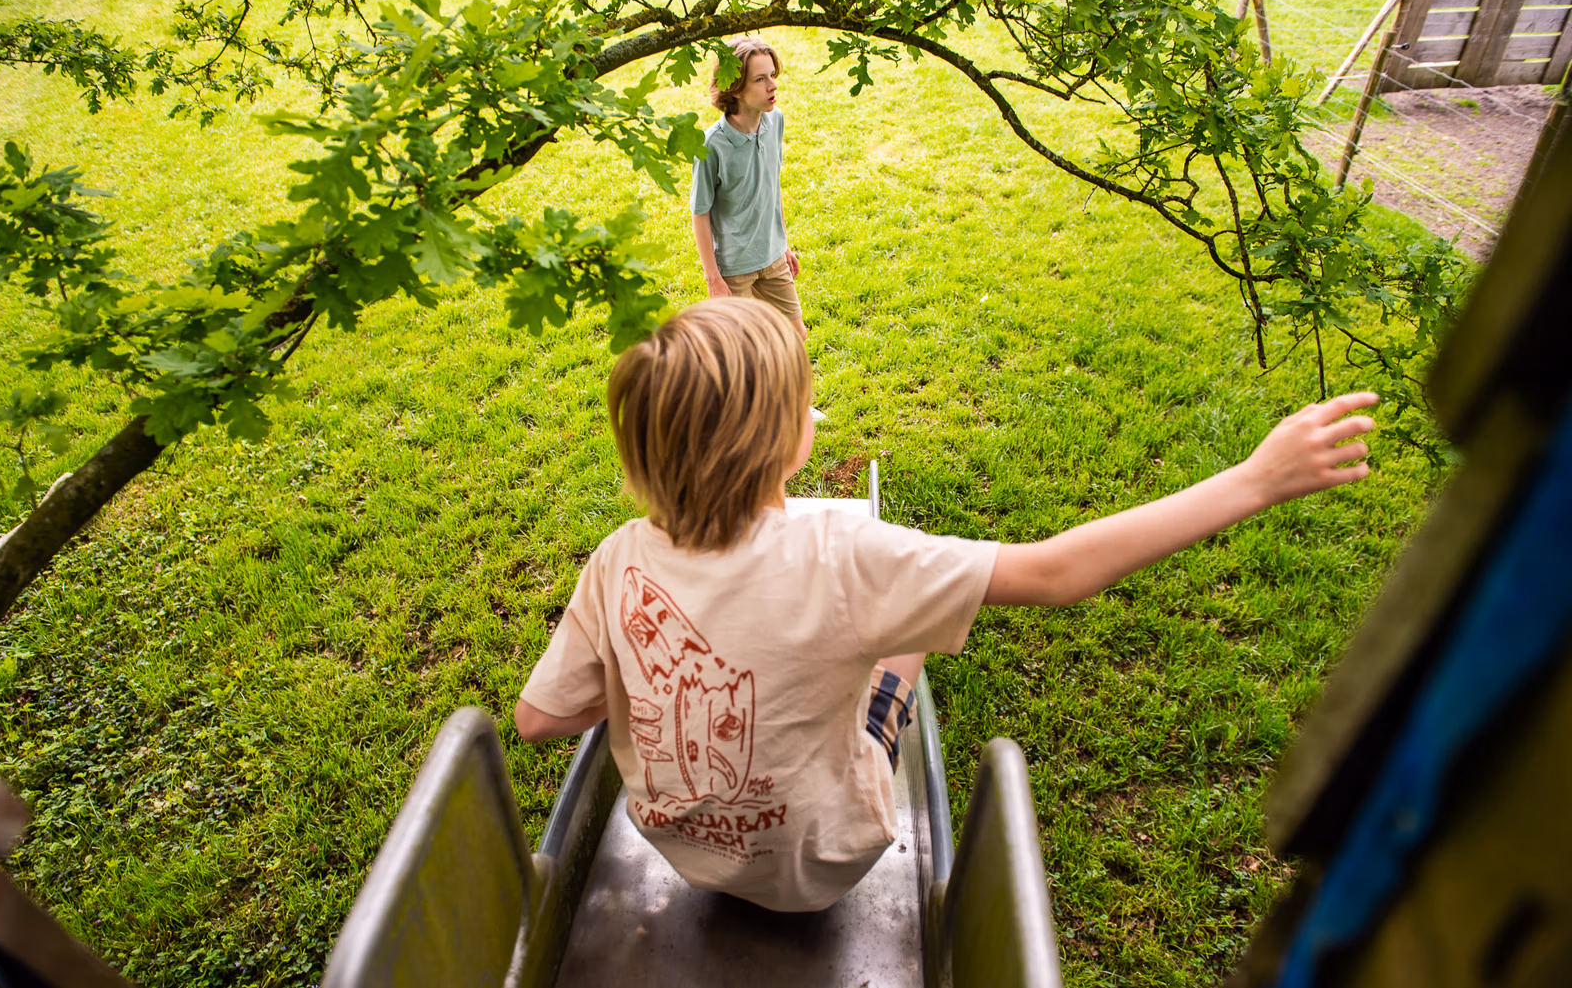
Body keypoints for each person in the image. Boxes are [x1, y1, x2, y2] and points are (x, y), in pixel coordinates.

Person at [514, 299, 1378, 913]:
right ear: (781, 439)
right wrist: (1256, 478)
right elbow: (1055, 571)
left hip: (685, 856)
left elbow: (538, 718)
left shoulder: (619, 556)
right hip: (821, 866)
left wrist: (636, 679)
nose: (813, 407)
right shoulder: (849, 553)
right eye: (801, 401)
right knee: (905, 647)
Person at [689, 37, 806, 340]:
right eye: (760, 79)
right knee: (743, 352)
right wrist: (713, 278)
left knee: (795, 338)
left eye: (772, 76)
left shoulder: (774, 120)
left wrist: (783, 243)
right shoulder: (711, 145)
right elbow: (700, 213)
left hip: (772, 255)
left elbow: (771, 184)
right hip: (734, 267)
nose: (773, 86)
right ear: (736, 88)